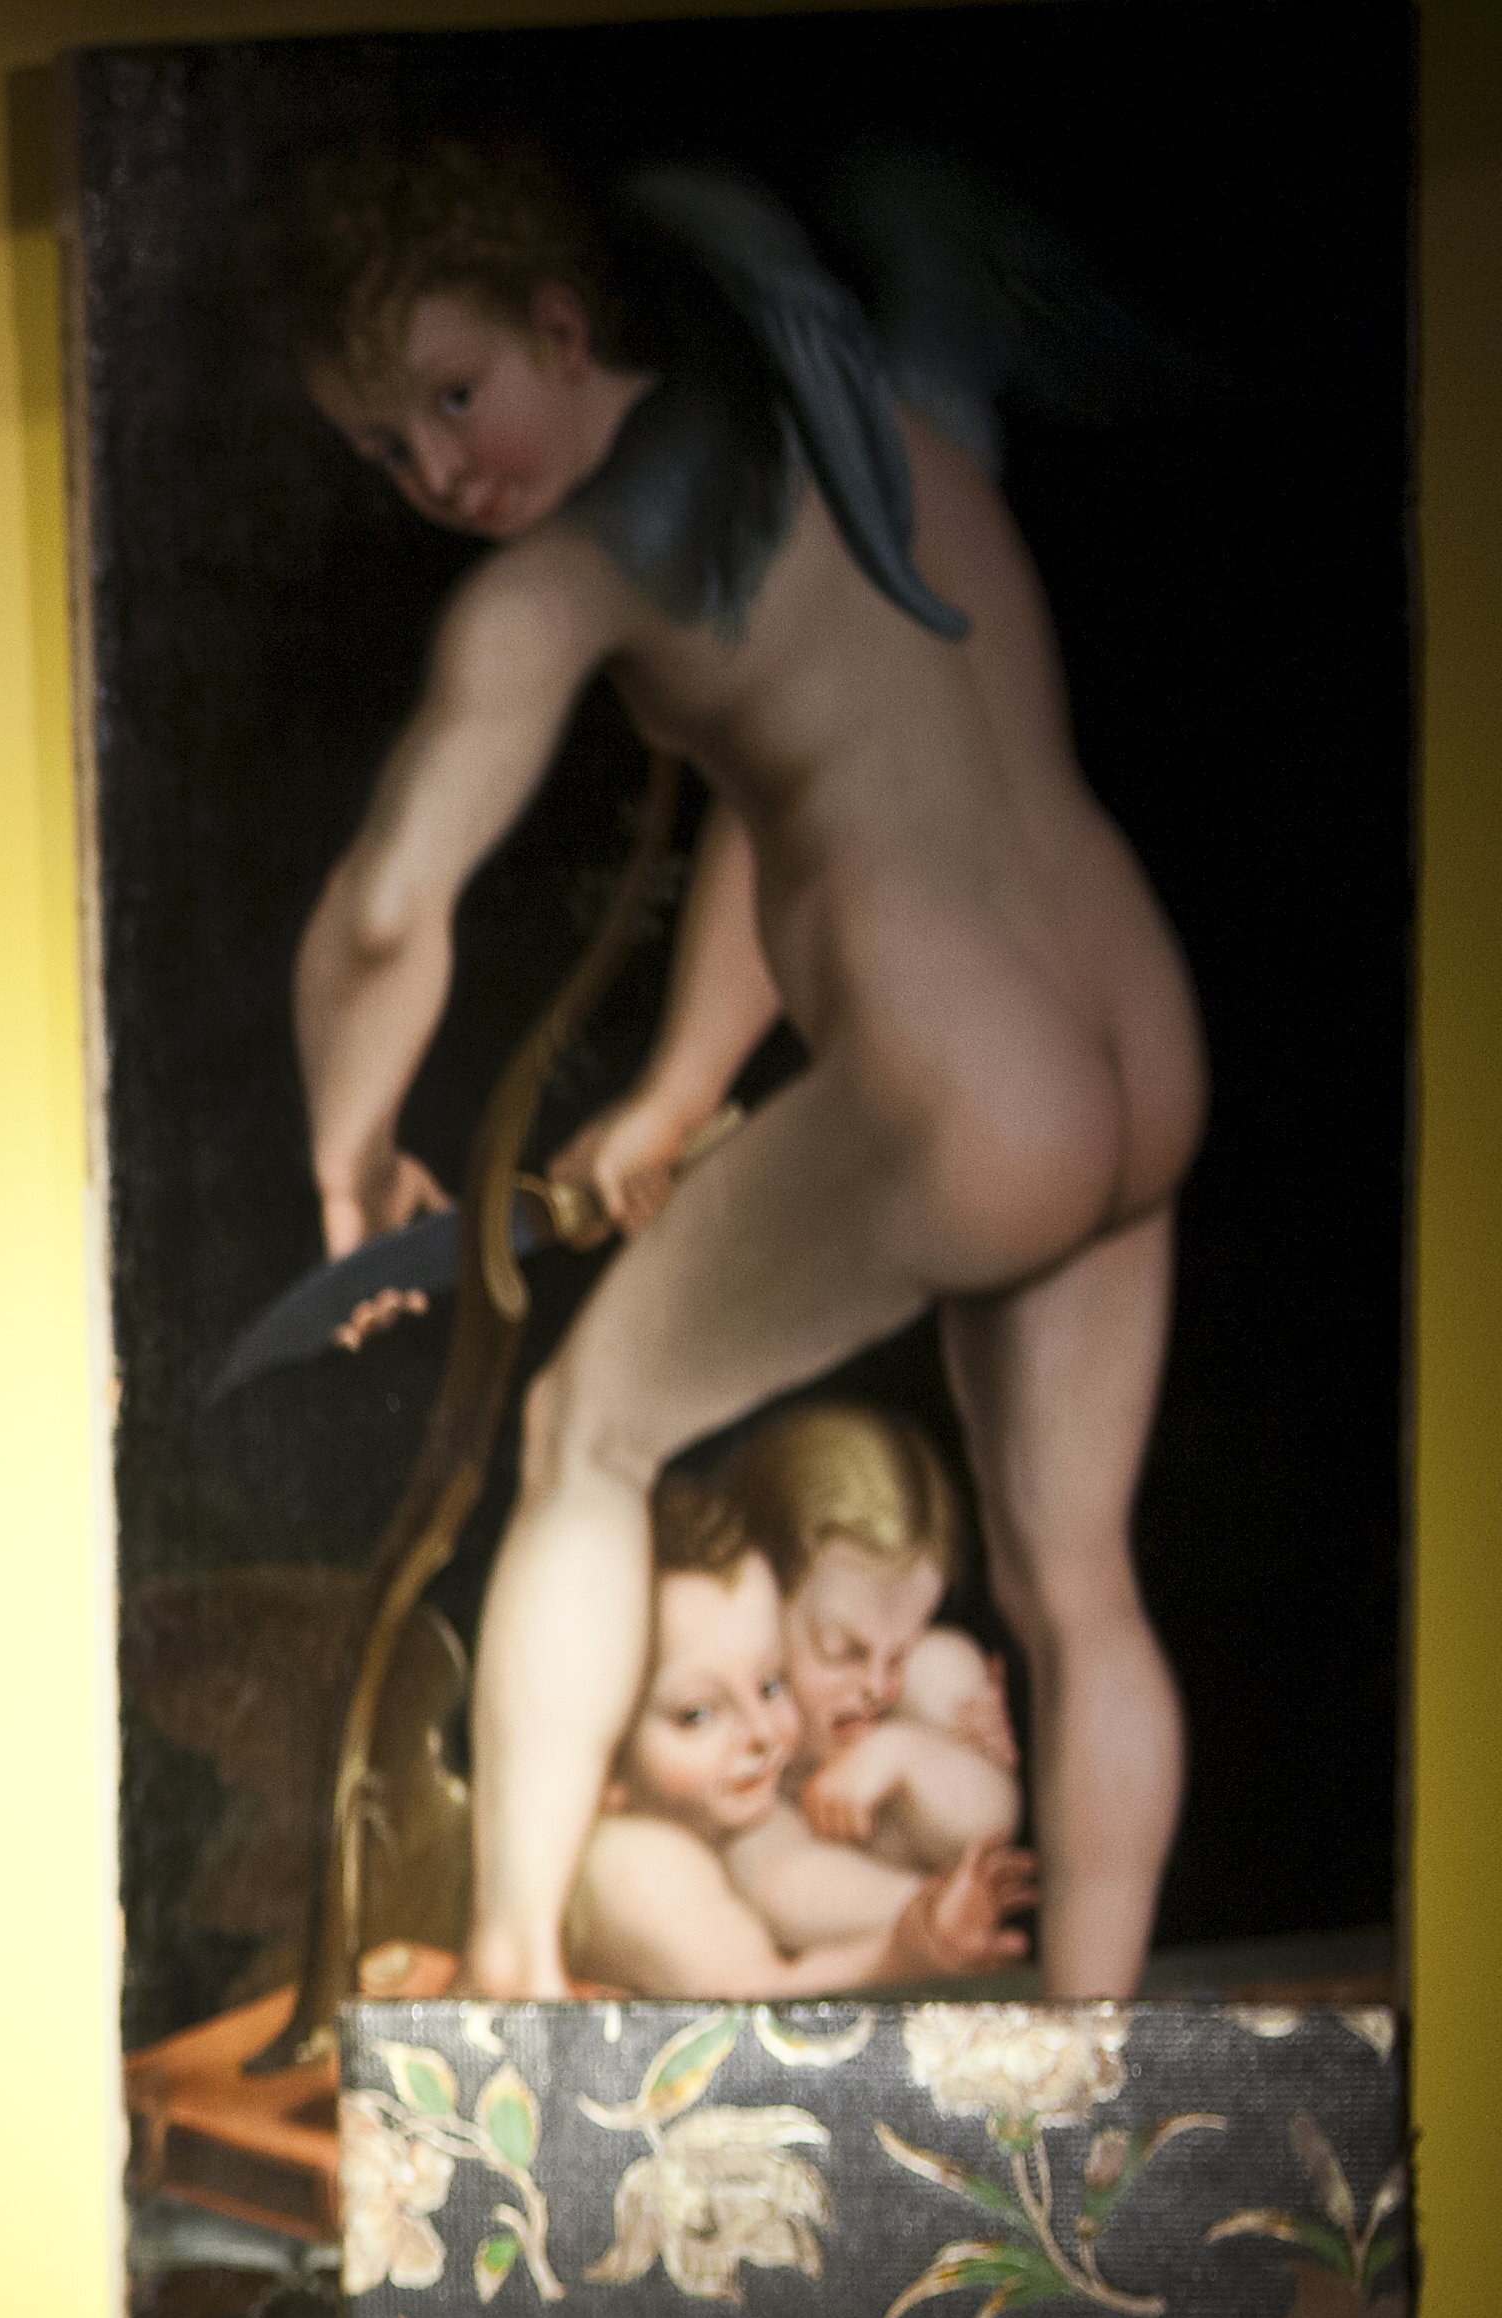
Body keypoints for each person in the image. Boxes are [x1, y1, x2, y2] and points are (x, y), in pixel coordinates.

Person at [270, 142, 1193, 2002]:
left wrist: (351, 1151)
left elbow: (383, 910)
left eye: (453, 397)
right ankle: (1091, 2061)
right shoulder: (859, 402)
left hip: (972, 1089)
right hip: (1134, 1027)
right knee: (1077, 1588)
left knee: (587, 1432)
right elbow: (794, 795)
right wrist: (687, 1086)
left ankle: (514, 1975)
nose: (439, 473)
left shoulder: (563, 585)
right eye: (384, 446)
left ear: (560, 327)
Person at [559, 1464, 1026, 1996]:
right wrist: (906, 1951)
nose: (762, 1732)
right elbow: (754, 1992)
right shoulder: (636, 1860)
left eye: (770, 1684)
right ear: (602, 1754)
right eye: (697, 1715)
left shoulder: (739, 1820)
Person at [715, 1392, 1018, 1876]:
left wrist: (901, 1755)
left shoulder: (921, 1682)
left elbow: (995, 1822)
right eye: (841, 1651)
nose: (878, 1686)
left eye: (897, 1655)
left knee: (939, 1667)